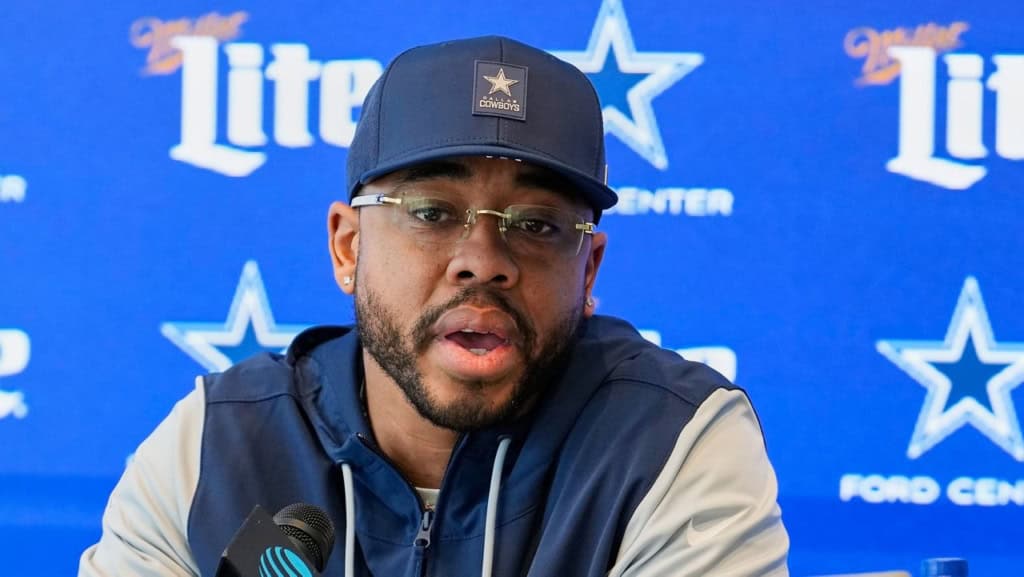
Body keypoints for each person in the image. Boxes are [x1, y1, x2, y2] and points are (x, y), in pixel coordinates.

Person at [79, 35, 789, 577]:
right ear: (348, 247)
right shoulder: (217, 443)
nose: (483, 260)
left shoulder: (671, 441)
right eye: (432, 212)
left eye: (537, 224)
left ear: (589, 270)